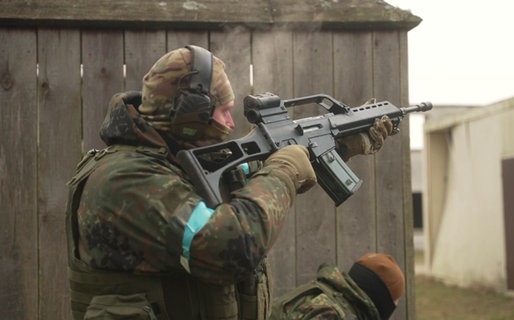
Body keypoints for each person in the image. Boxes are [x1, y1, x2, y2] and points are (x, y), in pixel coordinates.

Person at [65, 45, 395, 320]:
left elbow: (249, 172)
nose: (230, 122)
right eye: (223, 112)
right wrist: (284, 171)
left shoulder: (176, 160)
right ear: (190, 117)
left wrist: (339, 142)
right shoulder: (125, 179)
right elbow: (230, 246)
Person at [270, 253, 405, 320]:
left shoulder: (329, 294)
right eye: (395, 299)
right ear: (381, 296)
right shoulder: (333, 312)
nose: (396, 304)